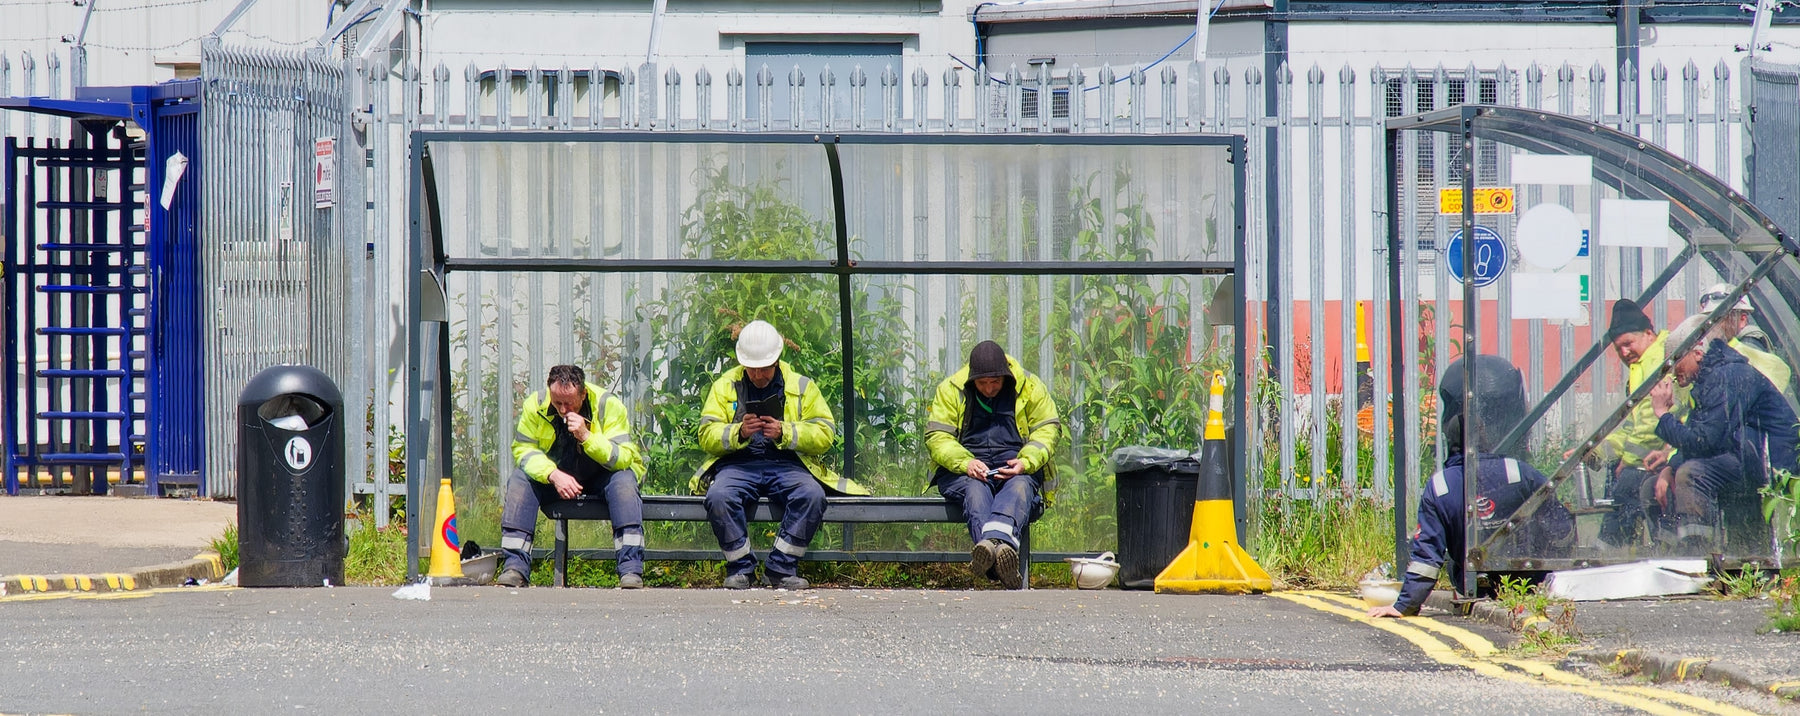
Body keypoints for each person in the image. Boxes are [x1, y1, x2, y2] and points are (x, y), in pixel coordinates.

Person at [1369, 355, 1575, 618]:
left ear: (1450, 427)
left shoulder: (1441, 486)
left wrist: (1404, 606)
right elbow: (1561, 529)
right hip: (1529, 585)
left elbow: (1427, 557)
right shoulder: (1521, 474)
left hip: (1471, 585)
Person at [689, 320, 870, 590]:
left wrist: (785, 432)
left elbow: (825, 433)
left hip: (788, 464)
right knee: (719, 496)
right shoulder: (724, 385)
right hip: (738, 465)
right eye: (753, 369)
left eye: (764, 369)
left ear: (776, 360)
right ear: (743, 363)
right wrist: (739, 433)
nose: (759, 375)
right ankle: (741, 569)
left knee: (811, 495)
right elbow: (706, 434)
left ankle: (781, 568)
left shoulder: (802, 386)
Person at [1647, 313, 1799, 553]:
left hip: (1770, 463)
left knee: (1692, 474)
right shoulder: (1710, 379)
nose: (1672, 370)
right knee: (1654, 483)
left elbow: (1703, 441)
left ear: (1697, 352)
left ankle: (1697, 555)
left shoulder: (1727, 376)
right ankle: (1667, 552)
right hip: (1745, 456)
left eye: (1675, 359)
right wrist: (1669, 467)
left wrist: (1663, 415)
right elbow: (1698, 433)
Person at [924, 340, 1061, 590]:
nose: (989, 389)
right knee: (976, 489)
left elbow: (1048, 429)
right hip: (965, 471)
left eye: (995, 382)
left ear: (1006, 376)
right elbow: (937, 437)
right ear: (971, 380)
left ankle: (989, 549)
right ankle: (1001, 554)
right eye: (982, 383)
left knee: (1019, 486)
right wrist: (966, 463)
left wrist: (1025, 462)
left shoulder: (1030, 387)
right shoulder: (950, 390)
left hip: (1016, 468)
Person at [498, 364, 648, 588]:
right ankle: (515, 568)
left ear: (583, 393)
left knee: (624, 482)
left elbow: (623, 457)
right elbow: (523, 450)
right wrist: (552, 474)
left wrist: (586, 436)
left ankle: (630, 571)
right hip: (556, 477)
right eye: (557, 402)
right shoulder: (535, 404)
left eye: (569, 403)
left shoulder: (608, 405)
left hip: (601, 475)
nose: (563, 409)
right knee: (520, 480)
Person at [1588, 299, 1685, 548]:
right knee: (1621, 482)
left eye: (1628, 344)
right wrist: (1598, 450)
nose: (1624, 353)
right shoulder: (1641, 365)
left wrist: (1627, 461)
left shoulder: (1657, 362)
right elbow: (1632, 427)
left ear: (1649, 334)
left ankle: (1610, 555)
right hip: (1664, 454)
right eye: (1618, 348)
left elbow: (1650, 427)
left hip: (1672, 454)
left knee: (1625, 487)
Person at [1696, 282, 1790, 396]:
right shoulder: (1716, 350)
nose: (1711, 326)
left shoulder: (1749, 348)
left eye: (1719, 318)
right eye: (1709, 319)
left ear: (1742, 319)